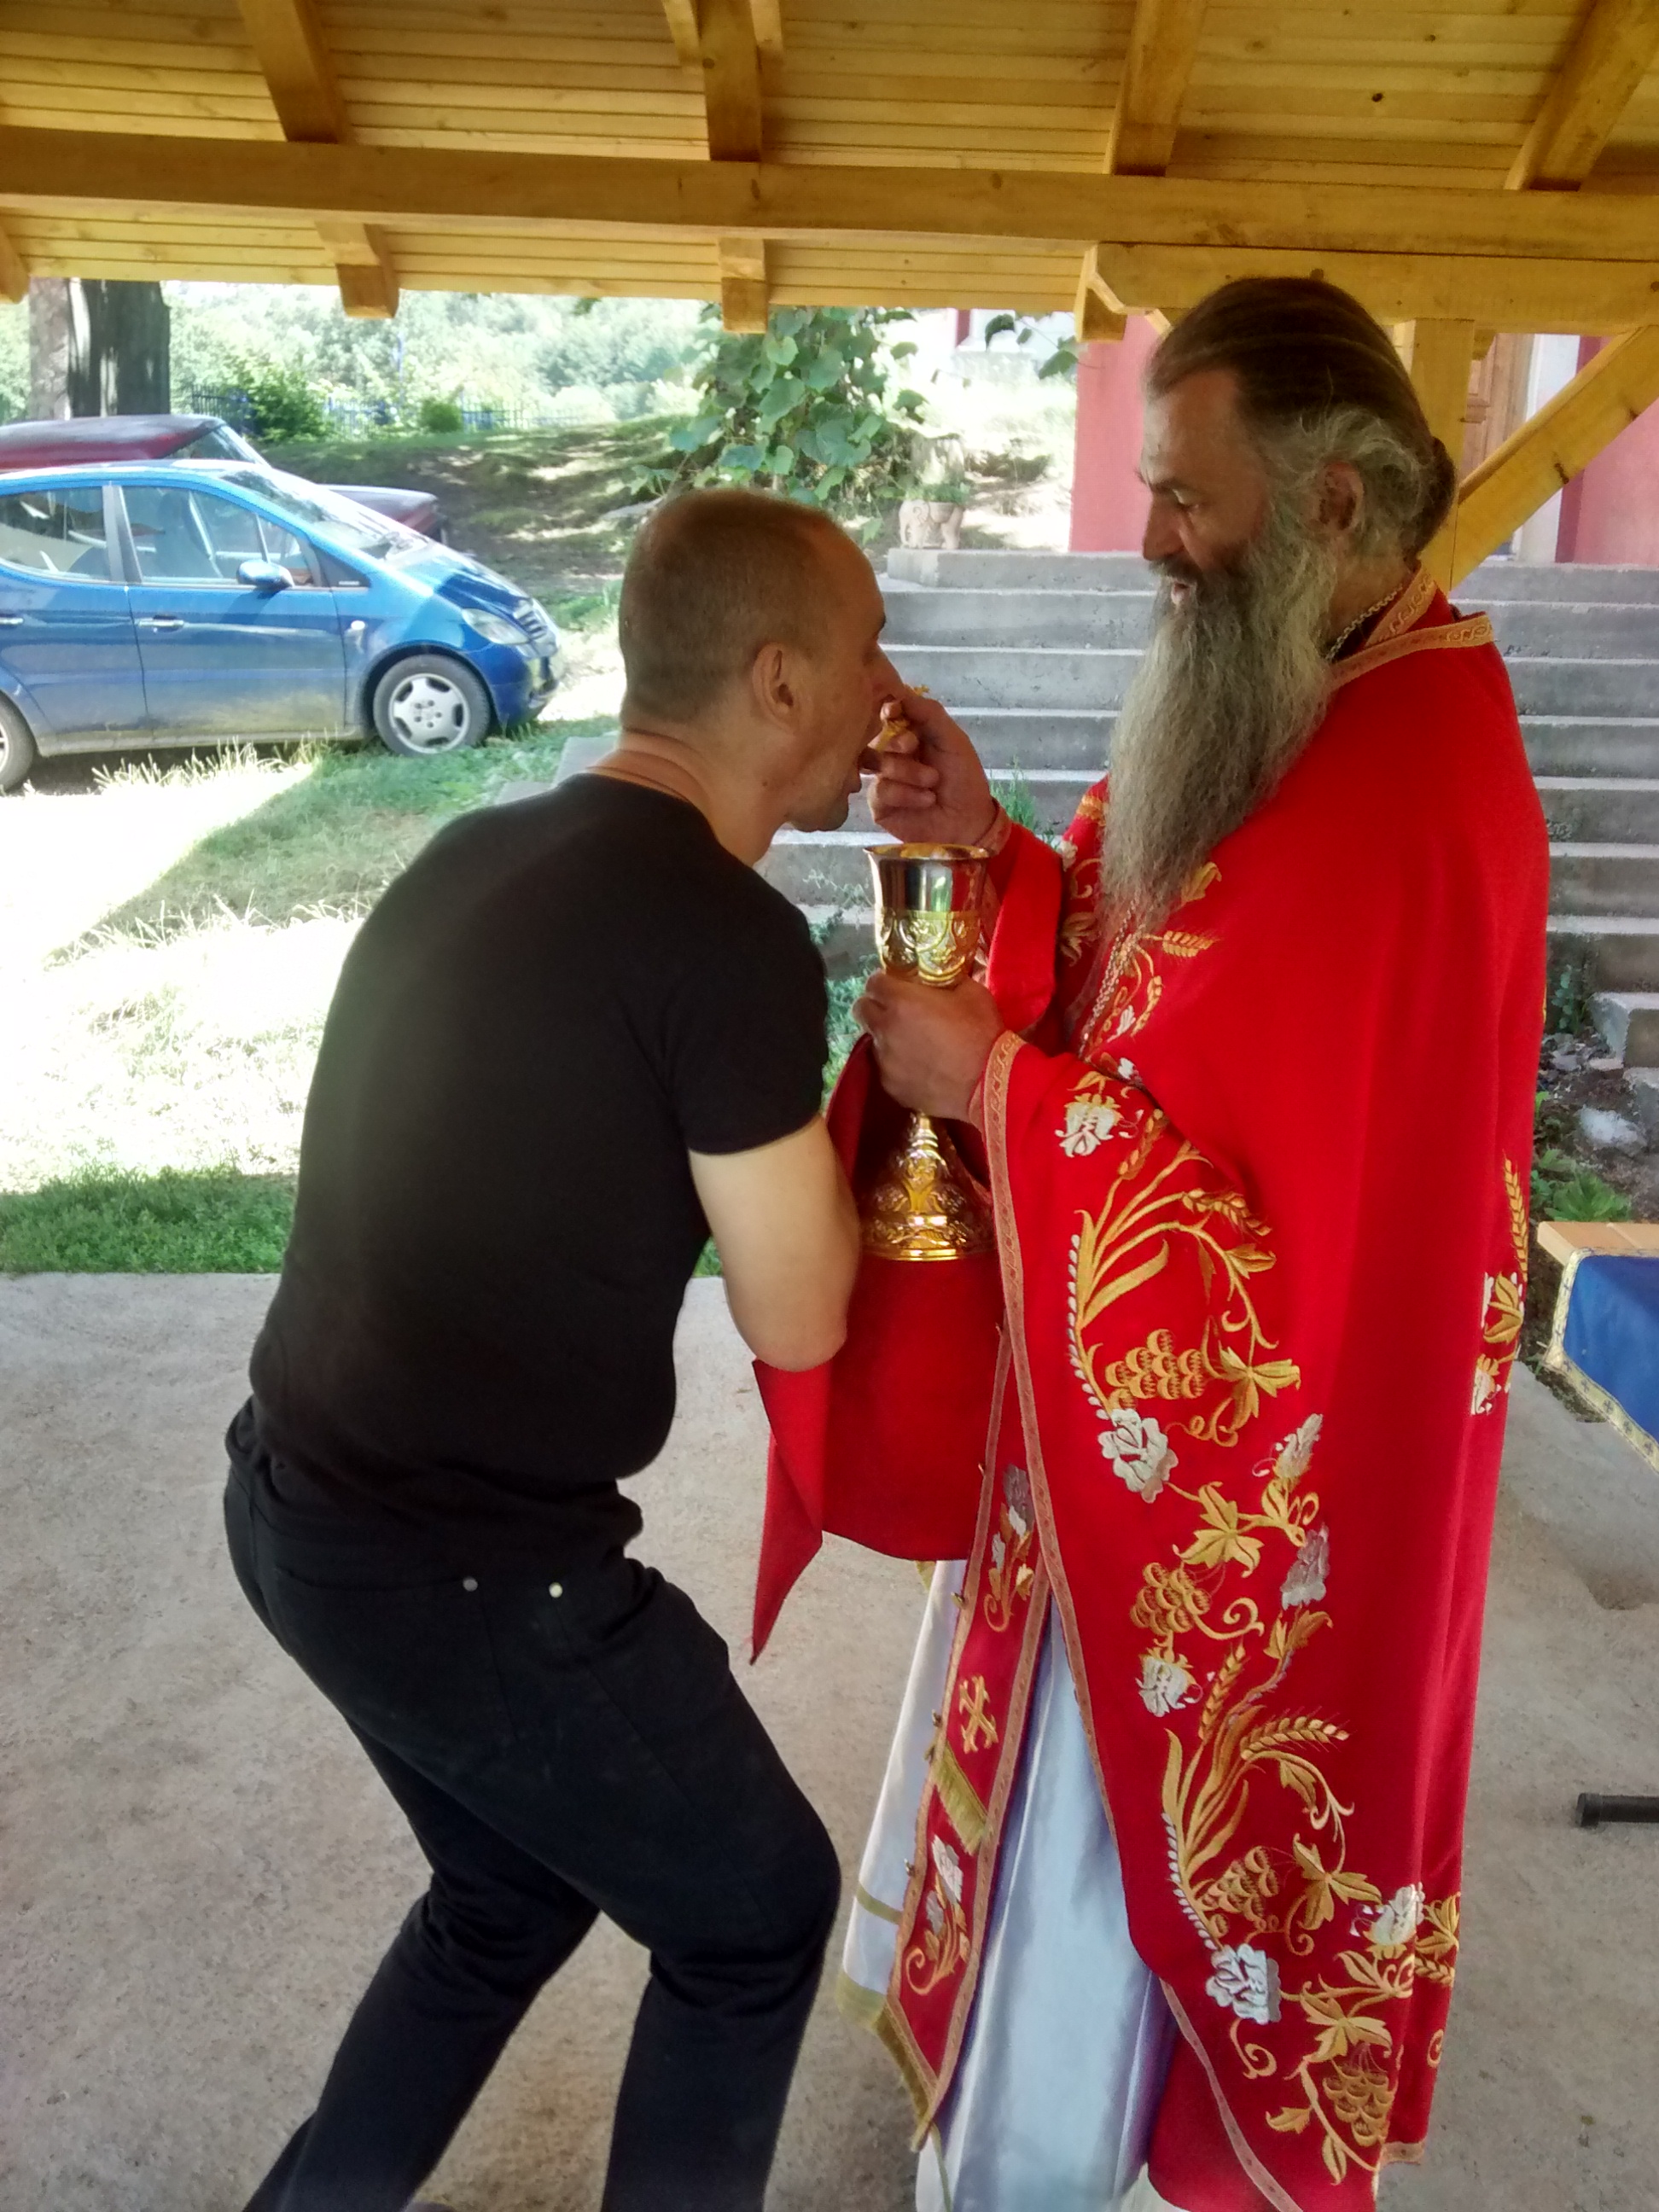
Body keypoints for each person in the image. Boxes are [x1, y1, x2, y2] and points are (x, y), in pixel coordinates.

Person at [818, 280, 1548, 2209]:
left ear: (1334, 500)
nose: (1149, 541)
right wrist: (993, 846)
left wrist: (993, 1092)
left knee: (1133, 1866)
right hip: (1111, 1453)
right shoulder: (1313, 681)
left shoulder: (1408, 781)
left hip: (1246, 1497)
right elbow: (1157, 969)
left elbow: (1285, 1262)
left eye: (1186, 499)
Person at [223, 486, 897, 2212]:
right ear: (778, 681)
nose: (888, 695)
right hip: (462, 1574)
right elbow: (802, 1315)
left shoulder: (478, 844)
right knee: (755, 1919)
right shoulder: (724, 936)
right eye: (869, 655)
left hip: (291, 1507)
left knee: (506, 1893)